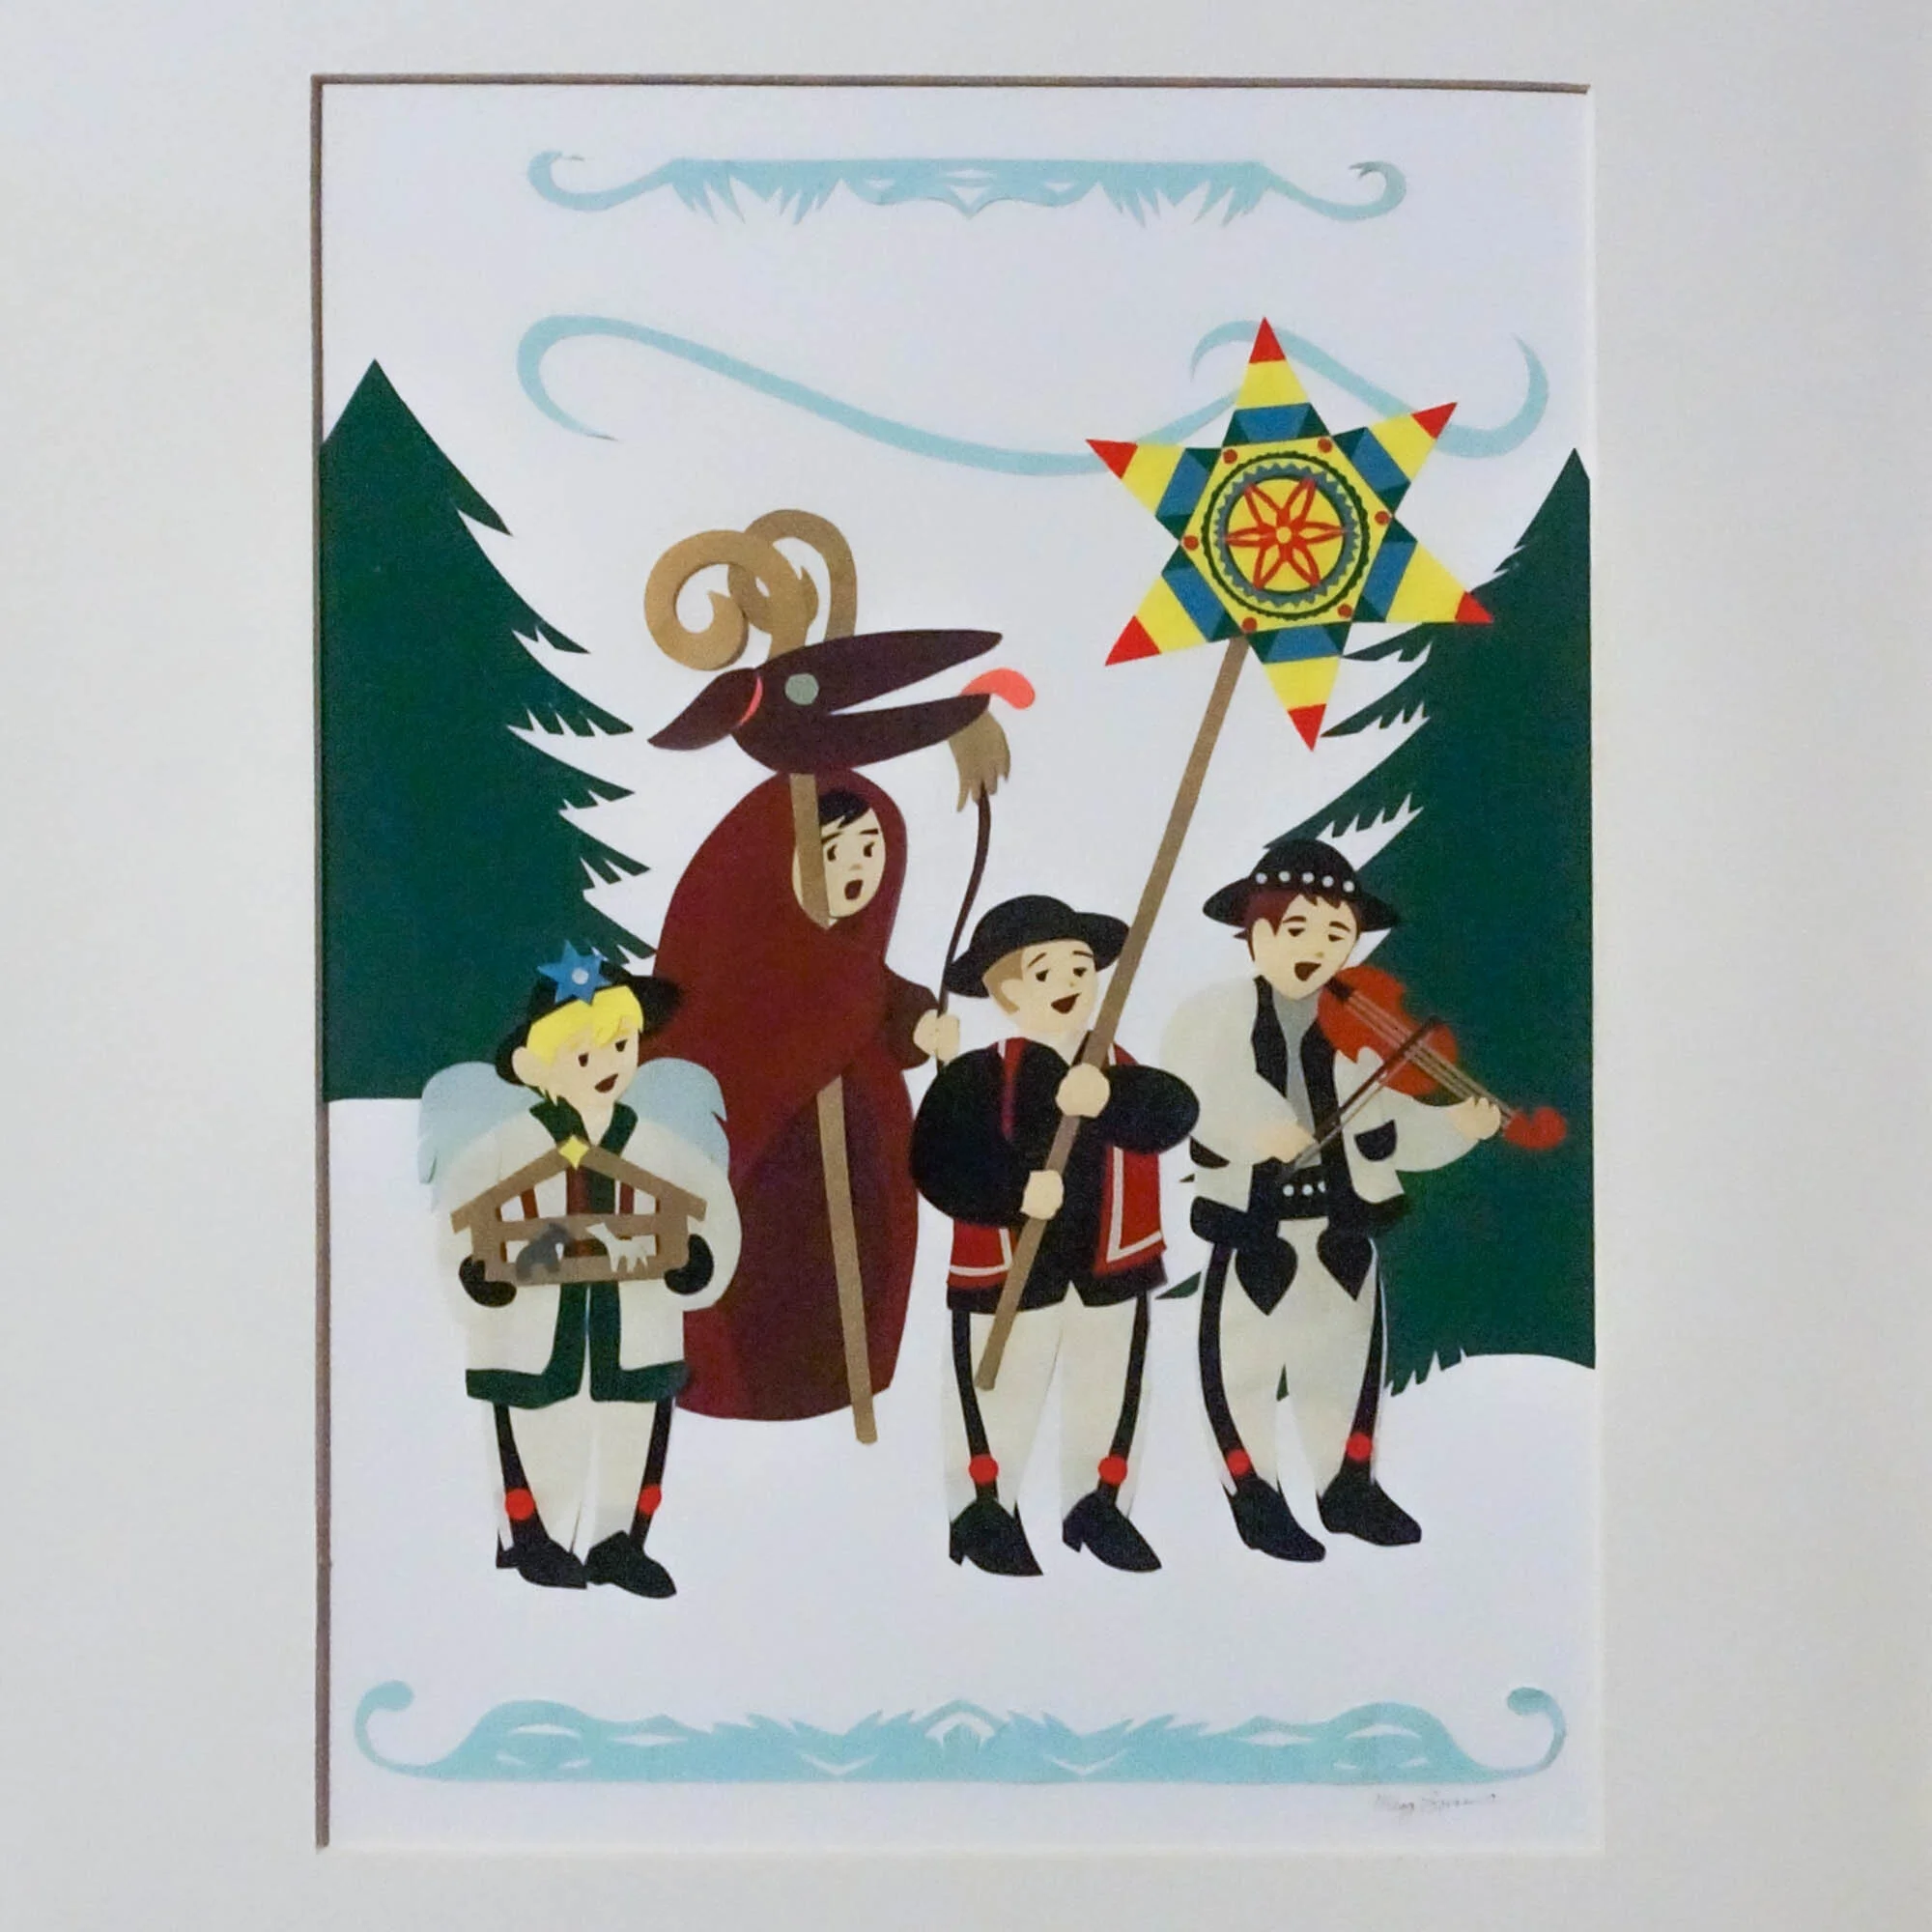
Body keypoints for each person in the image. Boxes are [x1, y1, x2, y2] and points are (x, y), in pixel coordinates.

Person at [1161, 837, 1500, 1563]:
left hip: (1340, 1223)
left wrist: (1456, 1127)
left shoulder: (1360, 1025)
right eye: (1296, 928)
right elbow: (1194, 1094)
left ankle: (1347, 1489)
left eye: (1336, 933)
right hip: (1253, 1225)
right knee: (1242, 1365)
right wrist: (1258, 1128)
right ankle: (1254, 1494)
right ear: (1254, 931)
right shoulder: (1211, 1016)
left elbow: (1392, 1126)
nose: (1316, 948)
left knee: (1344, 1365)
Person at [433, 948, 740, 1597]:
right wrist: (477, 1277)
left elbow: (712, 1213)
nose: (607, 1066)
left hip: (636, 1334)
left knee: (632, 1431)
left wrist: (697, 1263)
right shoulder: (503, 1150)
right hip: (531, 1337)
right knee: (540, 1430)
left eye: (620, 1045)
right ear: (535, 1066)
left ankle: (618, 1542)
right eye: (583, 1056)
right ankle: (533, 1537)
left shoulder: (658, 1148)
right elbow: (458, 1226)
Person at [651, 774, 955, 1421]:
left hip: (865, 1171)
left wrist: (921, 1026)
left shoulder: (856, 960)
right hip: (770, 1173)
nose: (856, 866)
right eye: (833, 851)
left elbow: (886, 1001)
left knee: (856, 1281)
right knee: (771, 1279)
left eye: (870, 849)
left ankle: (845, 1383)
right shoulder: (747, 956)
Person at [911, 895, 1198, 1576]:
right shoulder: (982, 1072)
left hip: (1109, 1269)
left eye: (1080, 967)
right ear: (1005, 992)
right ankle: (983, 1510)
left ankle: (1099, 1504)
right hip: (1010, 1273)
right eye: (1045, 972)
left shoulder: (1114, 1066)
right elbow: (938, 1160)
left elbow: (1172, 1111)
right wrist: (1014, 1193)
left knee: (1110, 1388)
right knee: (997, 1391)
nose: (1070, 983)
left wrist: (1108, 1098)